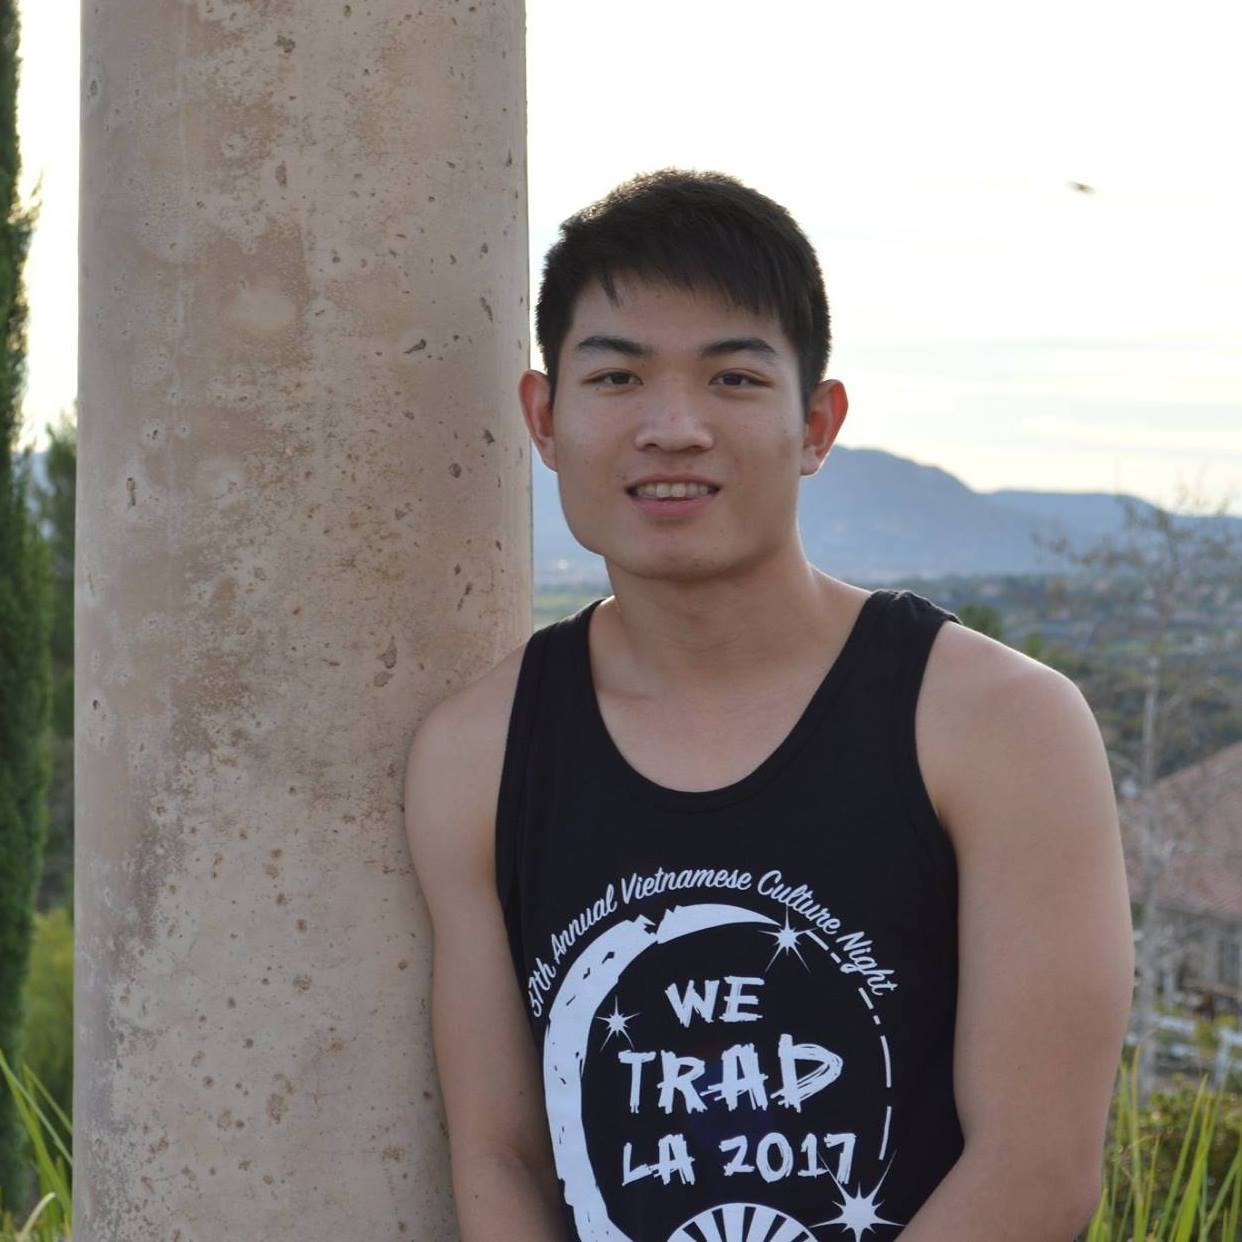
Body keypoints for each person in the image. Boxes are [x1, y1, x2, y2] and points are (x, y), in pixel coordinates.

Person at [403, 168, 1135, 1241]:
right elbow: (500, 1155)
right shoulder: (479, 753)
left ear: (817, 425)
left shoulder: (999, 726)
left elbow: (1038, 1167)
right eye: (617, 378)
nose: (673, 427)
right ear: (545, 419)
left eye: (734, 379)